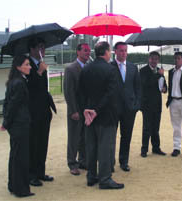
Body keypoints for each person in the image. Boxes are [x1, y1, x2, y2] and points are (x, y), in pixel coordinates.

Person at [79, 41, 124, 190]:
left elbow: (80, 93)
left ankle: (91, 176)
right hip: (105, 115)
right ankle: (105, 179)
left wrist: (86, 110)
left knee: (91, 147)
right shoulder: (111, 70)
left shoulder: (86, 69)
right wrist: (97, 110)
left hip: (89, 116)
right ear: (106, 52)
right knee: (105, 148)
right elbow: (111, 94)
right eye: (110, 51)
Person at [1, 55, 34, 198]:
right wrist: (6, 122)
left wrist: (7, 122)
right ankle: (21, 189)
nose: (30, 66)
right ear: (19, 67)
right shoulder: (19, 83)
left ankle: (13, 185)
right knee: (21, 156)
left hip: (16, 124)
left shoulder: (14, 81)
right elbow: (13, 105)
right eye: (27, 64)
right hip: (20, 124)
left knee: (15, 155)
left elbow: (7, 103)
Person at [27, 37, 56, 186]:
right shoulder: (28, 64)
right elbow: (29, 87)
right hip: (33, 112)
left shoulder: (41, 64)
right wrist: (39, 71)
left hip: (44, 111)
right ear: (32, 49)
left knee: (43, 142)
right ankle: (31, 174)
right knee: (34, 143)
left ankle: (40, 171)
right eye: (40, 47)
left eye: (44, 47)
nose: (42, 50)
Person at [110, 42, 141, 172]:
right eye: (121, 50)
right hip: (113, 108)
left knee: (126, 136)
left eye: (125, 50)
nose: (123, 53)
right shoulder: (109, 67)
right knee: (111, 136)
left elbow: (138, 88)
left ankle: (124, 161)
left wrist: (137, 105)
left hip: (129, 108)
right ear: (115, 51)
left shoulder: (133, 67)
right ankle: (109, 162)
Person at [63, 43, 91, 175]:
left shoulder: (90, 67)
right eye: (85, 50)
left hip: (87, 109)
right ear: (78, 52)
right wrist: (73, 110)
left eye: (89, 51)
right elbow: (68, 92)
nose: (88, 53)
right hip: (76, 109)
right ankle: (72, 163)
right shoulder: (71, 69)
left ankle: (83, 161)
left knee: (85, 137)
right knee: (74, 137)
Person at [139, 51, 167, 157]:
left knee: (156, 128)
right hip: (146, 104)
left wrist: (165, 89)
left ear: (158, 60)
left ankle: (156, 148)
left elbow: (163, 84)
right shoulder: (143, 70)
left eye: (156, 59)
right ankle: (144, 149)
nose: (154, 61)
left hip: (157, 104)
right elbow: (146, 84)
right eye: (152, 58)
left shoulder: (159, 70)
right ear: (149, 59)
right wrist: (157, 75)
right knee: (147, 128)